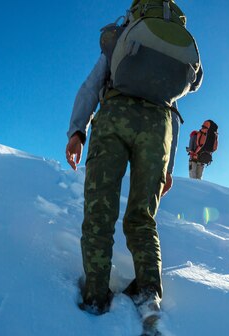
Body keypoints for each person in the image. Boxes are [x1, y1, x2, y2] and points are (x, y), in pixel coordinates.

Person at [65, 0, 203, 318]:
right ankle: (148, 293)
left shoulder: (123, 37)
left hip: (115, 114)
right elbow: (175, 108)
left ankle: (96, 294)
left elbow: (90, 87)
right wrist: (167, 168)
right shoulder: (174, 47)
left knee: (101, 208)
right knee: (142, 217)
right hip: (159, 127)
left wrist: (77, 132)